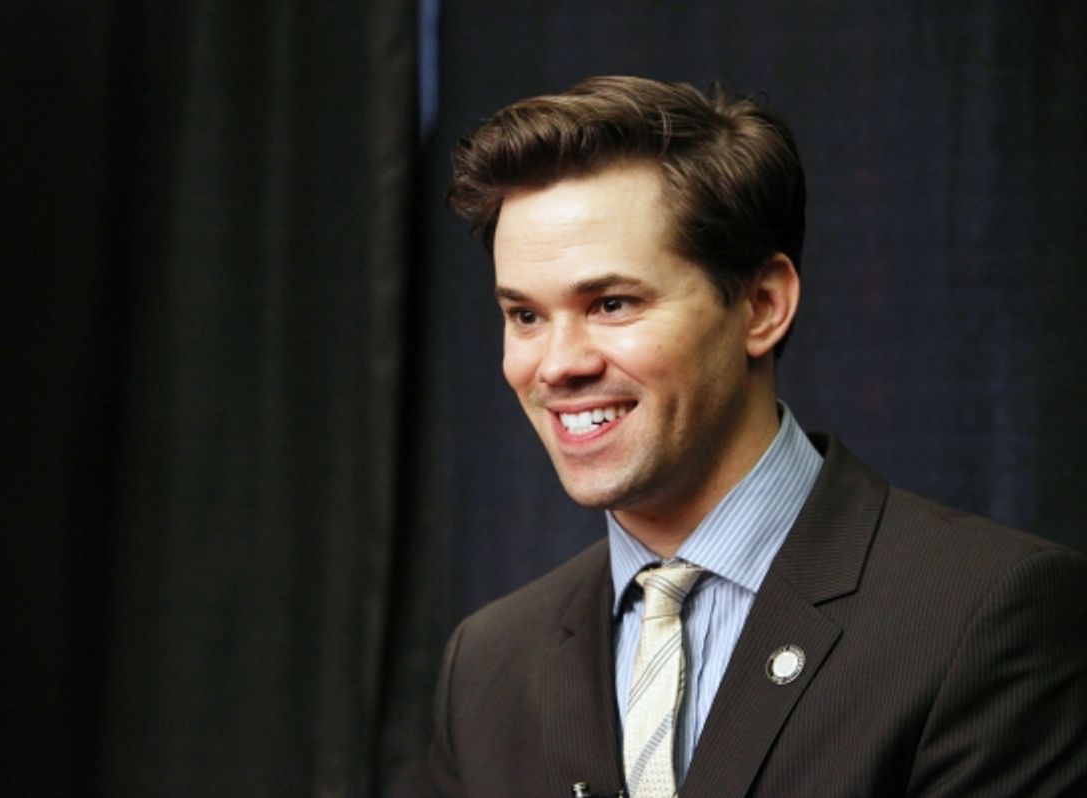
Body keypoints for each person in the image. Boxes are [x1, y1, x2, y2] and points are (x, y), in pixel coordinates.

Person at [427, 76, 1087, 797]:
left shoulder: (983, 614)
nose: (557, 365)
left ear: (763, 306)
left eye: (612, 304)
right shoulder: (485, 667)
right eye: (525, 316)